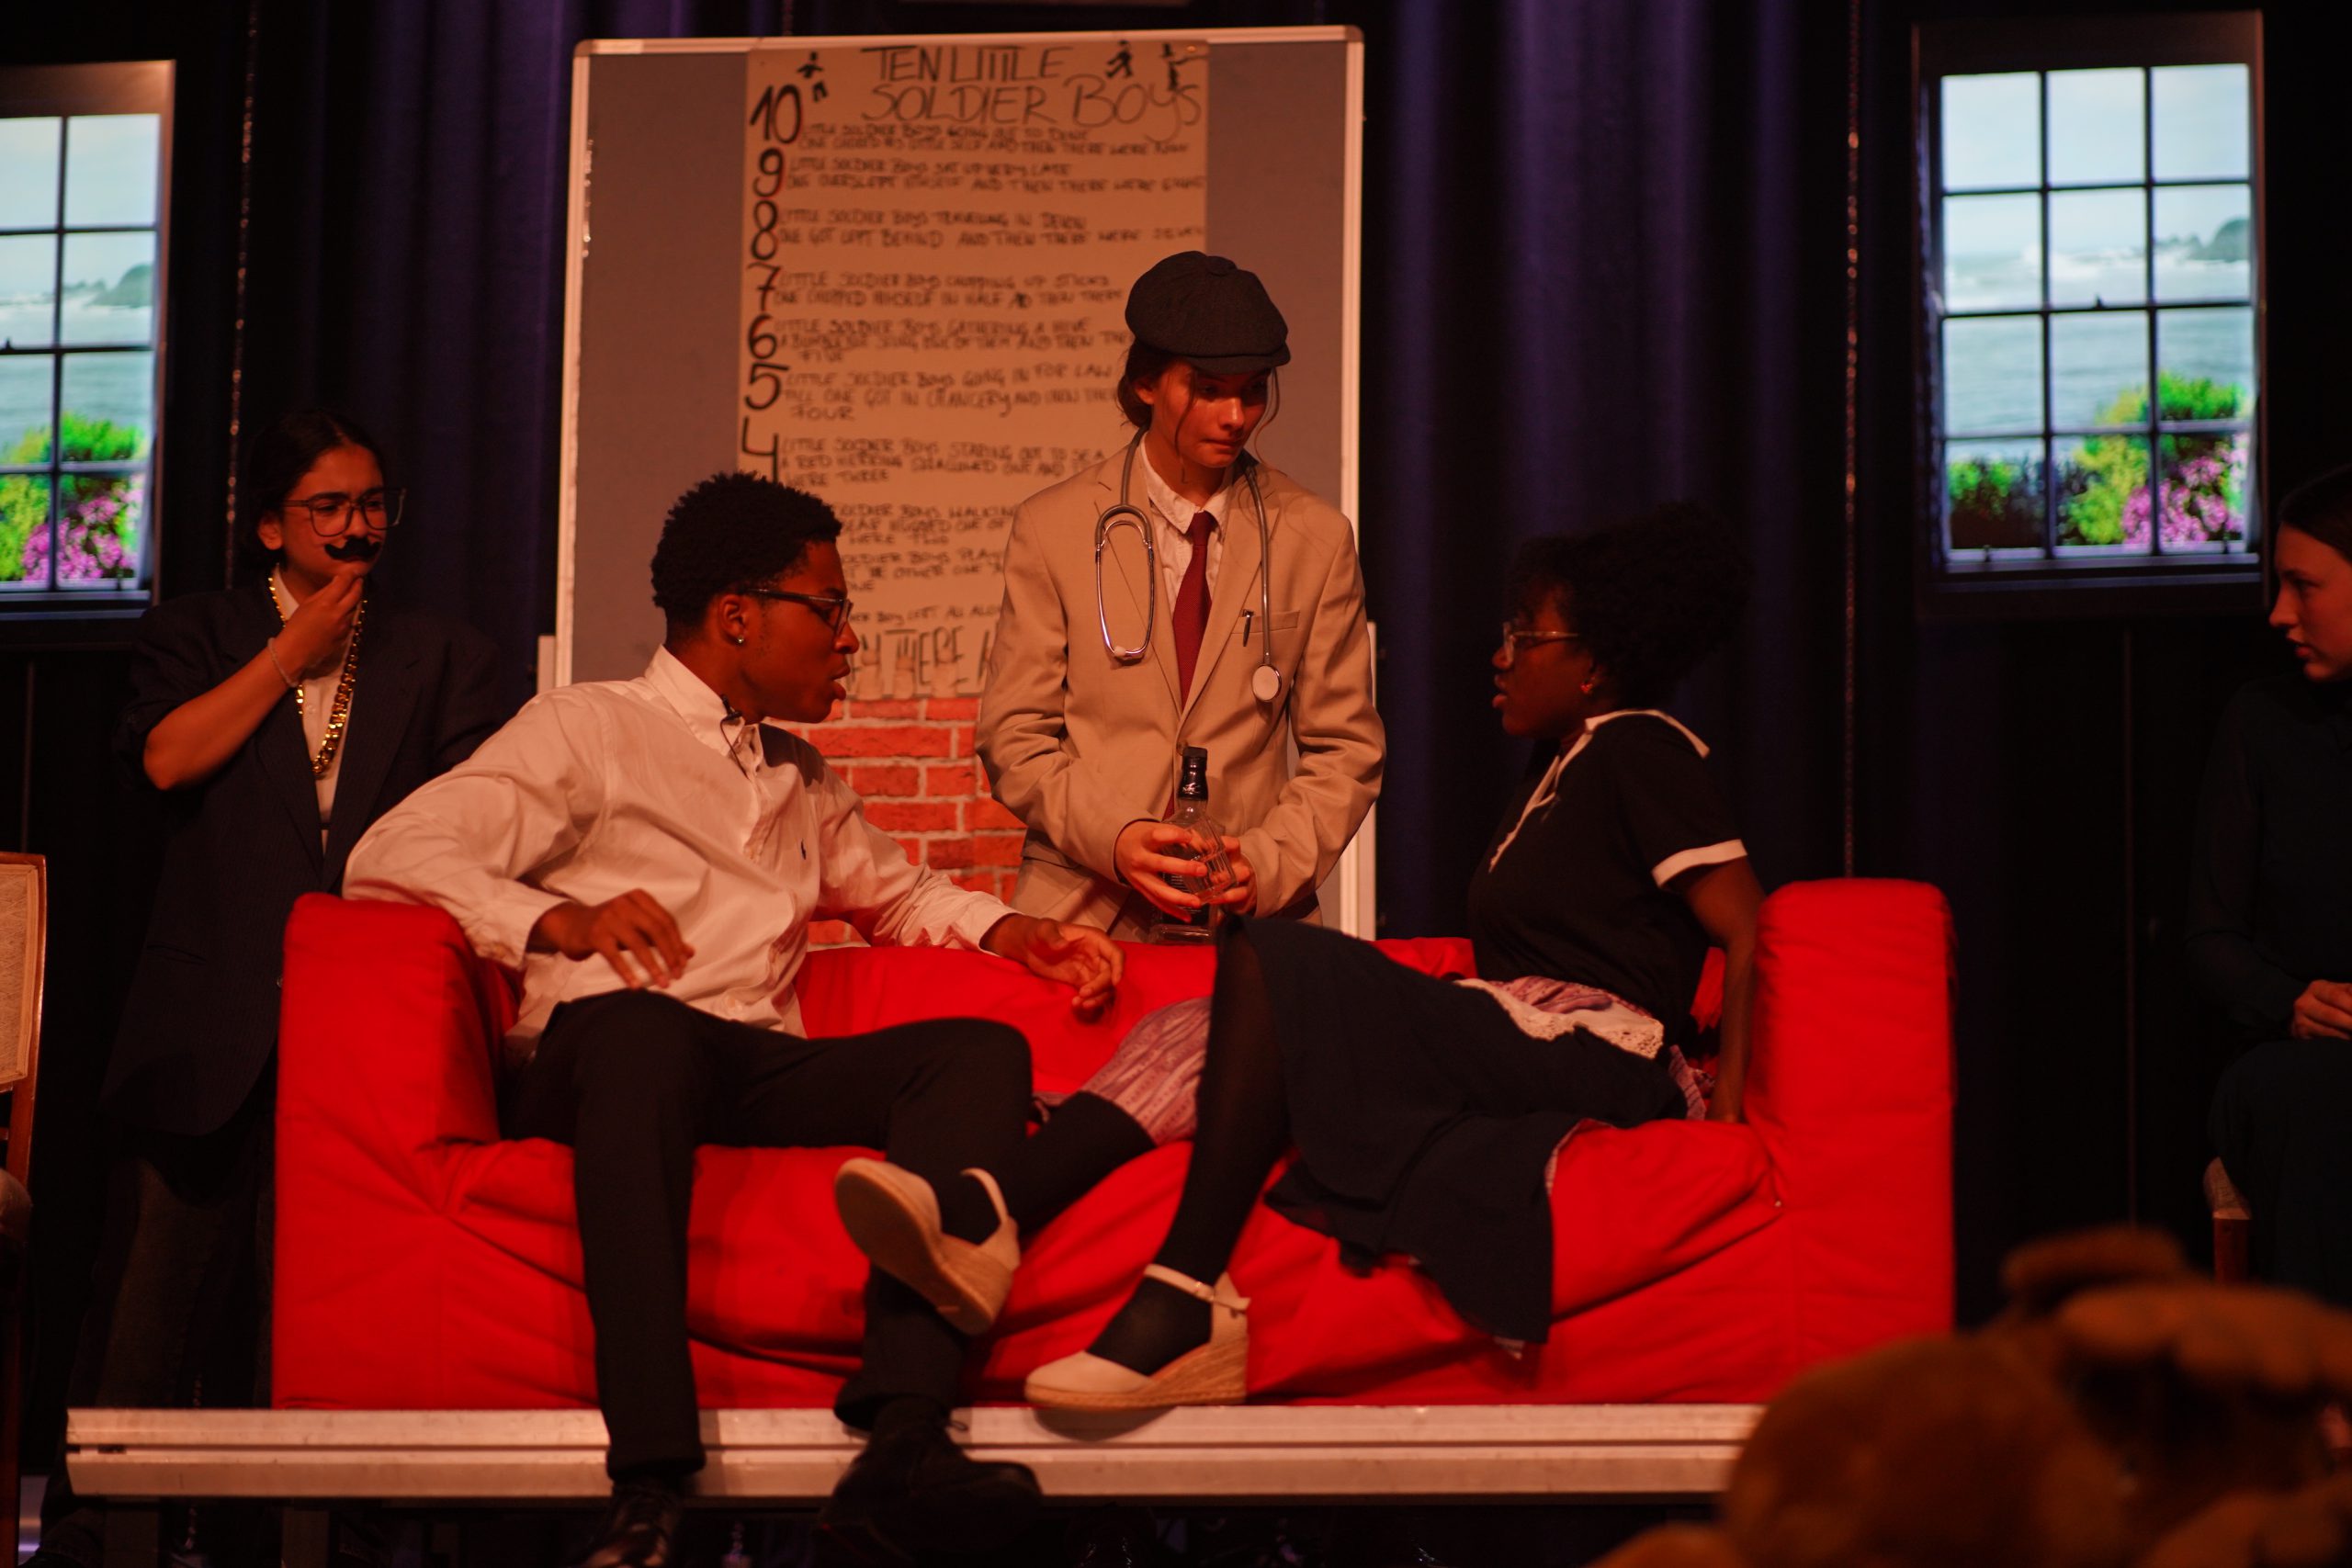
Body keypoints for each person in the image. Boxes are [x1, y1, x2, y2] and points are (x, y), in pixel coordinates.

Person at [344, 471, 1125, 1567]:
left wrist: (1017, 933)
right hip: (608, 1055)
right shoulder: (586, 727)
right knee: (643, 1030)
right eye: (831, 608)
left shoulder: (797, 775)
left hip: (747, 1060)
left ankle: (903, 1436)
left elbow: (898, 896)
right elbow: (391, 853)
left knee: (977, 1052)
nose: (849, 639)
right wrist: (555, 920)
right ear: (738, 615)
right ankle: (648, 1484)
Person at [834, 503, 1763, 1411]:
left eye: (1526, 635)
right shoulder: (1559, 768)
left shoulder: (1640, 749)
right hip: (1524, 1028)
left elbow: (1747, 925)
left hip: (1602, 1046)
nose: (1501, 653)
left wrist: (1725, 1104)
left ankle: (1179, 1294)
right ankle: (988, 1211)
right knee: (1206, 1022)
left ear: (1593, 663)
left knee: (1277, 959)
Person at [30, 410, 507, 1567]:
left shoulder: (442, 655)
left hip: (363, 1026)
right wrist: (290, 655)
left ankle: (287, 1538)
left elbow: (480, 825)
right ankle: (104, 1533)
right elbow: (166, 759)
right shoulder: (197, 633)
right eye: (327, 507)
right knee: (149, 1299)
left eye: (373, 504)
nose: (355, 528)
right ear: (268, 526)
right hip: (206, 1021)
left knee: (313, 1309)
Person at [977, 250, 1384, 940]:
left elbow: (1345, 748)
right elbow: (1014, 736)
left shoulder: (1313, 536)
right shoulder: (1055, 527)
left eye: (1253, 391)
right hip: (1086, 904)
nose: (1236, 416)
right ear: (1145, 383)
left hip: (1244, 918)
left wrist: (1267, 862)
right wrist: (1117, 836)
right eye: (1208, 389)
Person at [2192, 465, 2352, 1307]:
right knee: (2315, 1099)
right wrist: (2289, 1000)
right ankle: (2320, 1370)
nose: (2280, 613)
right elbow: (2211, 937)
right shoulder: (2262, 721)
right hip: (2300, 1057)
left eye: (2304, 586)